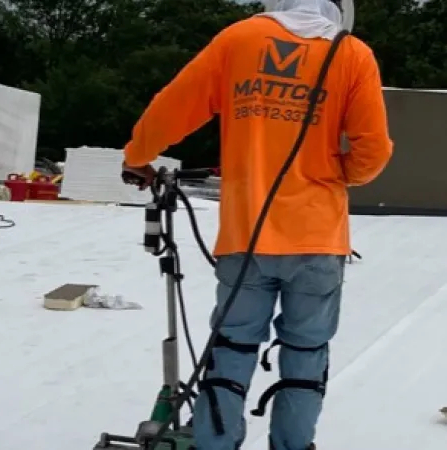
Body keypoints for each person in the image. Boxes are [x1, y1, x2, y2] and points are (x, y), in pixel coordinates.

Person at [122, 0, 393, 448]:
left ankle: (216, 443)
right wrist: (334, 175)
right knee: (306, 354)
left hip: (246, 237)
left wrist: (137, 157)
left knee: (232, 347)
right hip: (317, 239)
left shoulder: (239, 39)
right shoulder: (351, 53)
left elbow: (173, 105)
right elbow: (374, 150)